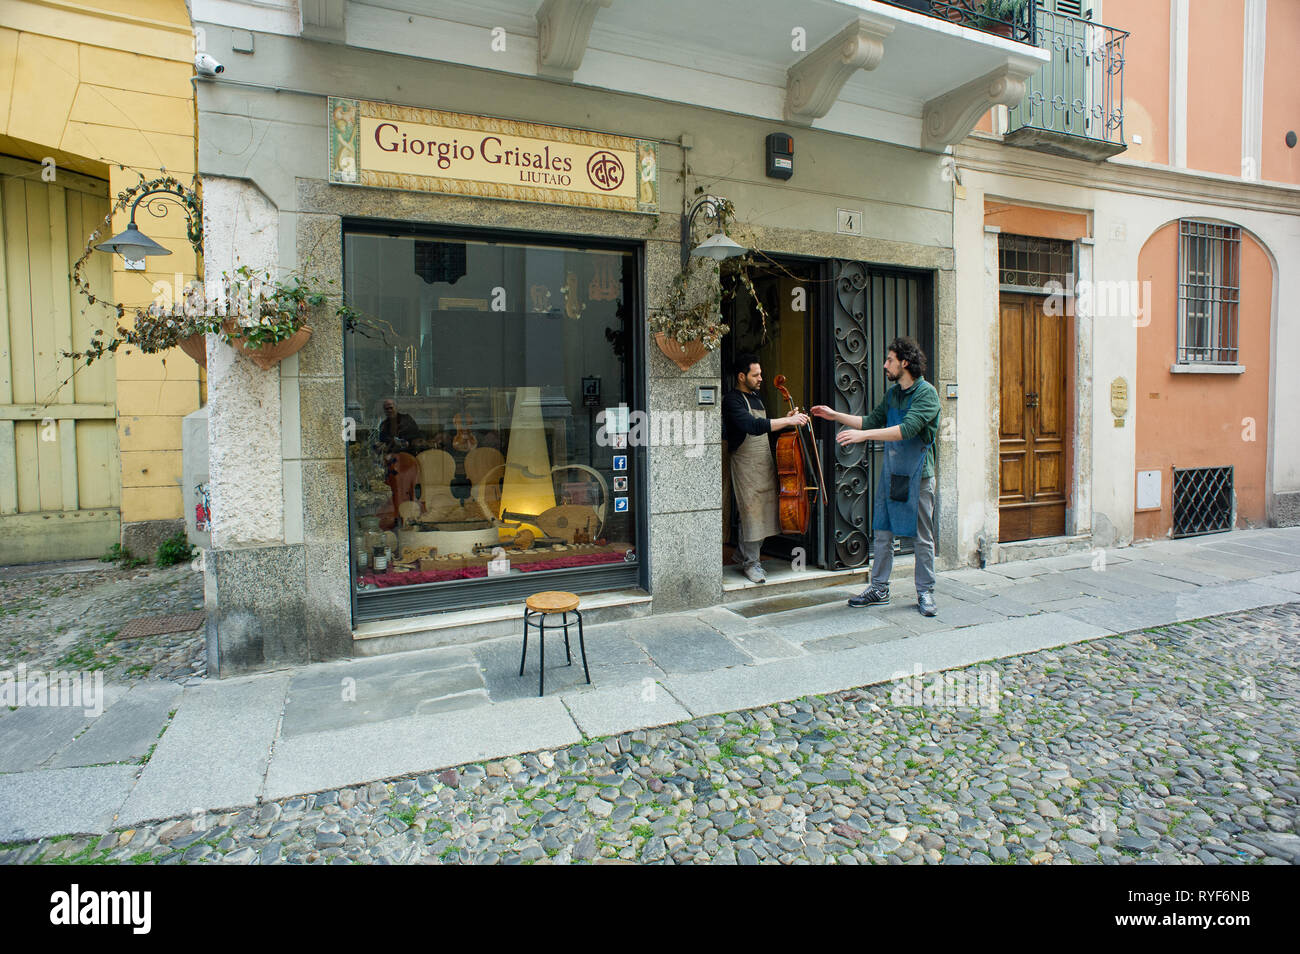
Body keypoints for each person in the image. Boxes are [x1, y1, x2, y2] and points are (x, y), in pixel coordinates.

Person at [811, 336, 940, 616]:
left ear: (904, 363)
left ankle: (925, 591)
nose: (885, 365)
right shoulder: (893, 394)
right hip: (893, 473)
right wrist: (835, 415)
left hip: (919, 477)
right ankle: (879, 588)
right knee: (882, 532)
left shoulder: (926, 394)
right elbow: (871, 421)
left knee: (922, 537)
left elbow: (907, 429)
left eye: (890, 360)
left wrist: (864, 436)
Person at [723, 353, 810, 584]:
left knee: (765, 511)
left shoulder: (757, 398)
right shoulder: (733, 400)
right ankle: (752, 564)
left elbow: (766, 429)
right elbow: (752, 425)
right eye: (756, 374)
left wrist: (785, 420)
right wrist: (787, 421)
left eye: (761, 373)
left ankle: (743, 554)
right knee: (751, 512)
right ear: (742, 376)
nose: (761, 378)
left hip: (763, 461)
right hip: (745, 463)